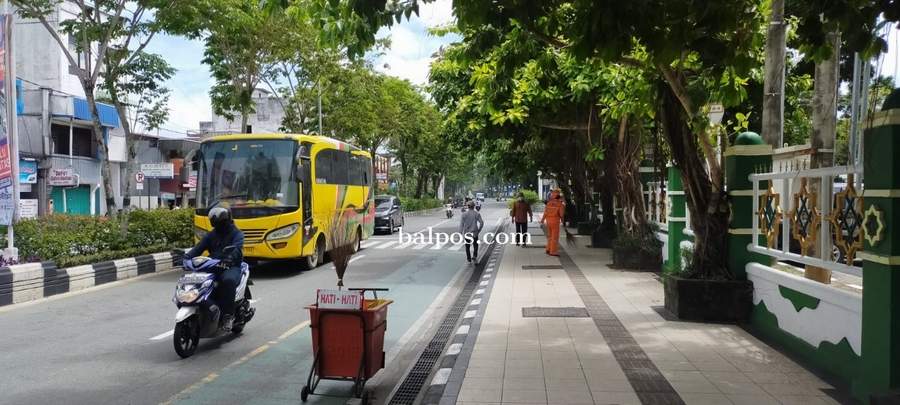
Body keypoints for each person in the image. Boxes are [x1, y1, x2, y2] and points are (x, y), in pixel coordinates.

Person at [185, 207, 245, 332]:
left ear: (226, 221)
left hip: (231, 266)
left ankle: (228, 316)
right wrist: (186, 258)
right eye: (216, 224)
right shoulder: (212, 235)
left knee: (227, 280)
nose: (218, 226)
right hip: (213, 265)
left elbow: (236, 249)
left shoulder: (237, 234)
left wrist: (229, 258)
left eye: (220, 223)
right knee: (196, 279)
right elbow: (198, 249)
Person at [540, 189, 565, 256]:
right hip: (555, 222)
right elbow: (561, 215)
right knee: (555, 237)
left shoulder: (548, 203)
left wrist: (542, 220)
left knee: (550, 236)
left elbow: (545, 213)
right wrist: (563, 221)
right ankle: (553, 251)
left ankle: (548, 249)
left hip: (548, 222)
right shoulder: (560, 205)